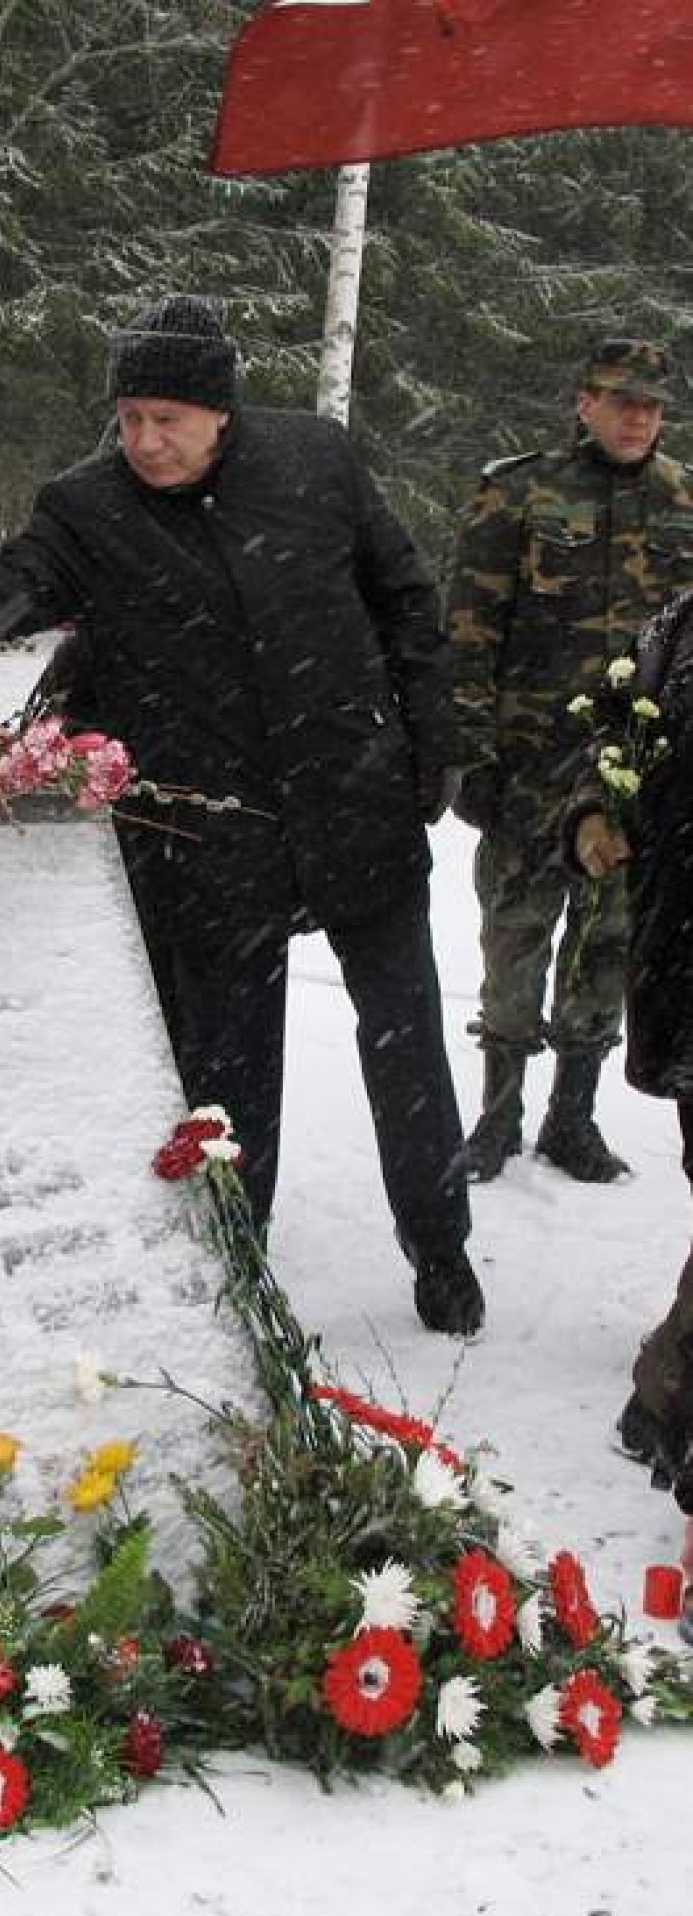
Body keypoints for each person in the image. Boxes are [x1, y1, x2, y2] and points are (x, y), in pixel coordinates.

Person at [0, 293, 482, 1334]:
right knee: (224, 1069)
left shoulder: (314, 464)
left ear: (219, 413)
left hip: (354, 804)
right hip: (211, 834)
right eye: (127, 419)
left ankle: (437, 1245)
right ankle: (230, 1260)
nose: (144, 441)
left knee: (403, 1041)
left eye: (165, 418)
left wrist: (430, 742)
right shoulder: (88, 509)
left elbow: (401, 598)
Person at [447, 336, 693, 1185]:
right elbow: (470, 634)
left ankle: (572, 1119)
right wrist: (471, 754)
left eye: (652, 406)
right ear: (581, 401)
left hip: (635, 778)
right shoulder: (517, 493)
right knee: (513, 939)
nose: (636, 418)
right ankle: (497, 1114)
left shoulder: (684, 502)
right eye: (620, 400)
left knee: (607, 948)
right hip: (530, 769)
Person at [567, 586, 693, 1505]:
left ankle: (667, 1396)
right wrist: (590, 814)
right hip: (684, 946)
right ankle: (667, 1395)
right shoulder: (677, 625)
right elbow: (615, 736)